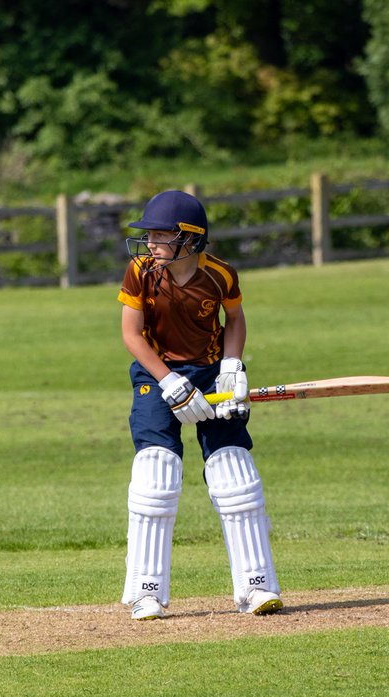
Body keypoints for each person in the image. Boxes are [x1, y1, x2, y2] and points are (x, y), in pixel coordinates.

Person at [116, 189, 283, 621]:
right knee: (157, 470)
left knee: (233, 468)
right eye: (148, 234)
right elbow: (132, 334)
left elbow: (235, 321)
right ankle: (145, 591)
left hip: (212, 373)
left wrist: (231, 365)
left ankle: (256, 585)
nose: (150, 243)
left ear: (189, 240)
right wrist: (169, 380)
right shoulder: (141, 271)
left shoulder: (221, 274)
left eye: (159, 235)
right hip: (157, 372)